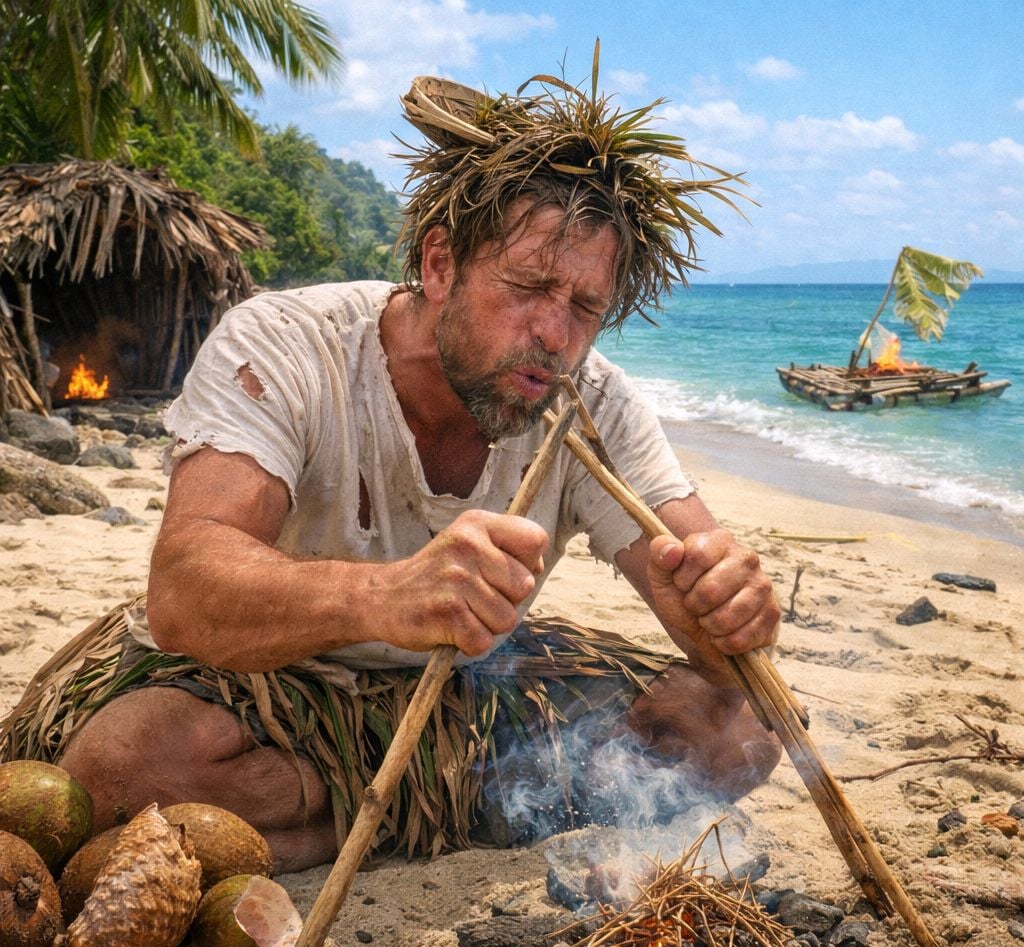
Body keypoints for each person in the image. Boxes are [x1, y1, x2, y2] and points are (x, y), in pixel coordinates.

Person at [2, 70, 781, 872]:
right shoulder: (285, 345)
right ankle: (473, 802)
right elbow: (184, 589)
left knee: (736, 736)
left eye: (585, 306)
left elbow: (718, 630)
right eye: (528, 287)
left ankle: (388, 809)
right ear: (439, 264)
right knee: (126, 771)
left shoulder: (590, 402)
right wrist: (385, 596)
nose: (555, 334)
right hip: (271, 682)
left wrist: (732, 612)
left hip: (467, 691)